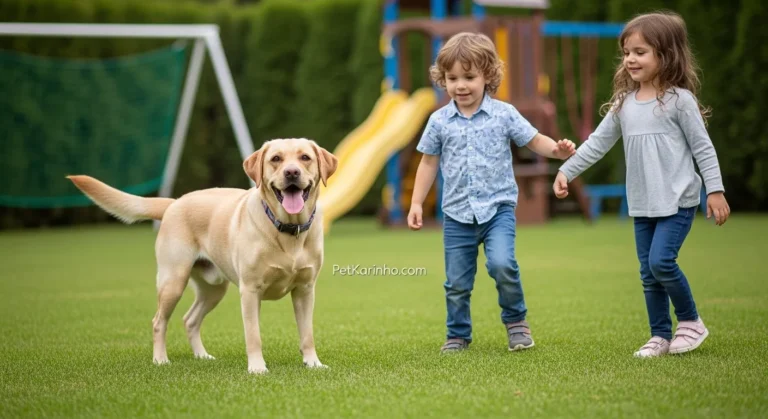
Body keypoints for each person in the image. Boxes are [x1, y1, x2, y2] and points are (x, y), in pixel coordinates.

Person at [553, 11, 731, 357]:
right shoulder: (623, 104)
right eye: (626, 53)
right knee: (648, 274)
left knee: (661, 262)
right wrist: (566, 171)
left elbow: (703, 148)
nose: (630, 59)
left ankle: (691, 322)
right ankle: (660, 336)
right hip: (643, 202)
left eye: (640, 52)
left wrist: (716, 190)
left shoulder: (680, 101)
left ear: (666, 55)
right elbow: (596, 144)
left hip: (677, 200)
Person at [408, 32, 576, 353]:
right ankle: (457, 335)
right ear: (442, 80)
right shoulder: (439, 121)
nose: (461, 85)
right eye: (452, 77)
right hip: (457, 214)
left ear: (488, 75)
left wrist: (557, 149)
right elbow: (428, 164)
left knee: (502, 264)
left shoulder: (504, 114)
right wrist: (417, 202)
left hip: (497, 210)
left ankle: (516, 323)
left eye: (469, 77)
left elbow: (533, 139)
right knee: (457, 283)